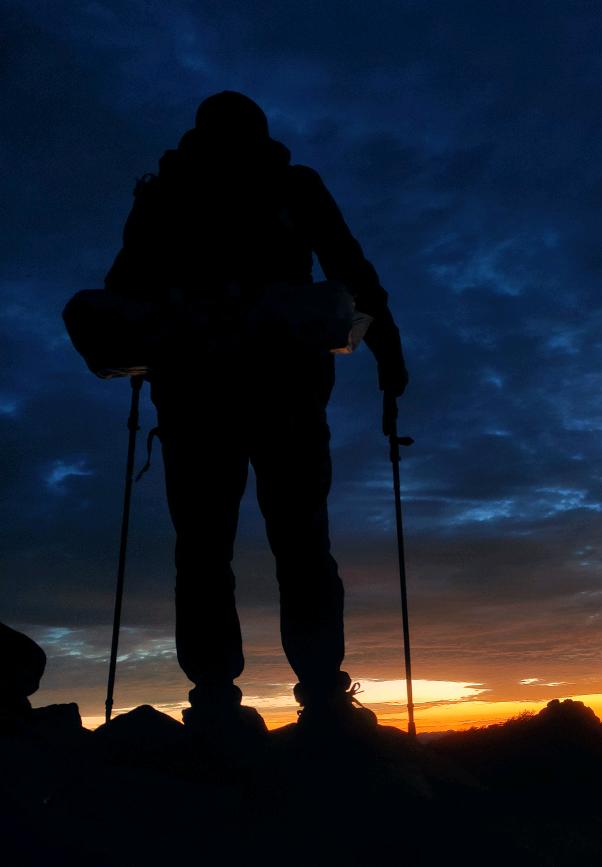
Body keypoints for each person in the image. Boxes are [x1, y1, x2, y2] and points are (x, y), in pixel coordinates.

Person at [103, 91, 408, 734]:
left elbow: (125, 289)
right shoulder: (291, 186)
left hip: (192, 395)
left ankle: (216, 698)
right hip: (287, 392)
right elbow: (350, 268)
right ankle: (323, 693)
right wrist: (387, 352)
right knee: (301, 543)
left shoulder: (164, 195)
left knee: (204, 549)